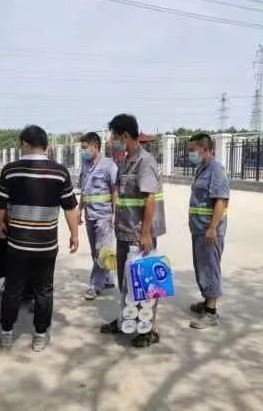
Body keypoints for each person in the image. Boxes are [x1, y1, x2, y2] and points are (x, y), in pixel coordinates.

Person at [0, 125, 79, 352]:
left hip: (17, 244)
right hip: (46, 245)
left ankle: (7, 332)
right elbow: (70, 208)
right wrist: (75, 234)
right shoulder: (60, 172)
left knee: (13, 288)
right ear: (45, 145)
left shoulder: (10, 170)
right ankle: (40, 335)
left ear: (24, 143)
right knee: (44, 289)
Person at [99, 114, 166, 348]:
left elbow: (150, 199)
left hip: (139, 235)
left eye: (114, 137)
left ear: (125, 135)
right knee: (126, 283)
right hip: (124, 231)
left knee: (145, 283)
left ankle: (149, 330)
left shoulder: (145, 161)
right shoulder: (126, 160)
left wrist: (146, 233)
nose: (112, 141)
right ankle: (125, 320)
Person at [187, 133, 230, 329]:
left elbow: (221, 200)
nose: (190, 153)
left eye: (193, 150)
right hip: (199, 228)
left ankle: (211, 313)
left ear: (205, 149)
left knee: (210, 268)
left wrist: (213, 227)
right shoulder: (202, 168)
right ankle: (206, 302)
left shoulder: (216, 170)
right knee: (201, 267)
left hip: (209, 230)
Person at [77, 132, 118, 300]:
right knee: (96, 251)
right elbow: (84, 189)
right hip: (90, 215)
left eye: (85, 148)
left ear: (95, 146)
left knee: (102, 251)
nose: (83, 151)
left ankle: (95, 286)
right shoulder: (85, 165)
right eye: (82, 148)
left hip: (104, 216)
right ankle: (107, 279)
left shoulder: (109, 165)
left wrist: (115, 214)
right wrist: (79, 209)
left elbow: (115, 191)